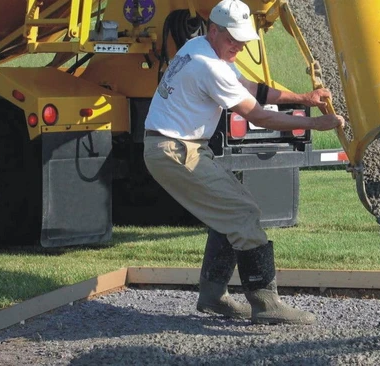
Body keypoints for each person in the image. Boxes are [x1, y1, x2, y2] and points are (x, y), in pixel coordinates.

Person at [143, 0, 345, 325]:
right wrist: (314, 124)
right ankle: (266, 305)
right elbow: (259, 116)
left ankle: (213, 297)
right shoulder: (209, 66)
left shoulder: (200, 47)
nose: (238, 45)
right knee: (242, 214)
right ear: (214, 29)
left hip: (176, 146)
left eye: (242, 39)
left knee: (233, 212)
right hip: (176, 151)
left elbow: (250, 88)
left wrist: (302, 98)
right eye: (232, 38)